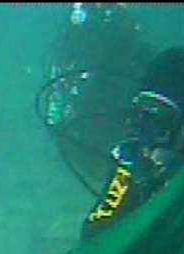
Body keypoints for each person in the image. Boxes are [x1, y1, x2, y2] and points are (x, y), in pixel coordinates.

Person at [81, 47, 184, 240]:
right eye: (140, 123)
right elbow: (95, 236)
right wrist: (132, 183)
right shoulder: (132, 160)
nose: (148, 146)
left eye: (160, 128)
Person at [39, 3, 155, 194]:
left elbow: (57, 99)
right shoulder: (73, 50)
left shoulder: (73, 50)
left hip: (105, 134)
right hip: (95, 135)